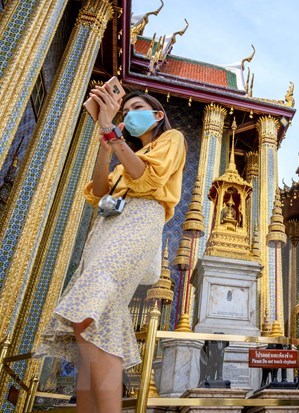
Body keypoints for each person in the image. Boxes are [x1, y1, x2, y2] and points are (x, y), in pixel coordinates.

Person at [37, 86, 186, 412]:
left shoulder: (171, 140)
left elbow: (146, 179)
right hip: (108, 232)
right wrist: (106, 143)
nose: (129, 115)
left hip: (138, 227)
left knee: (88, 317)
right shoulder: (122, 161)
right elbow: (101, 198)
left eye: (136, 108)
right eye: (125, 111)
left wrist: (111, 132)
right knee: (94, 324)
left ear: (157, 115)